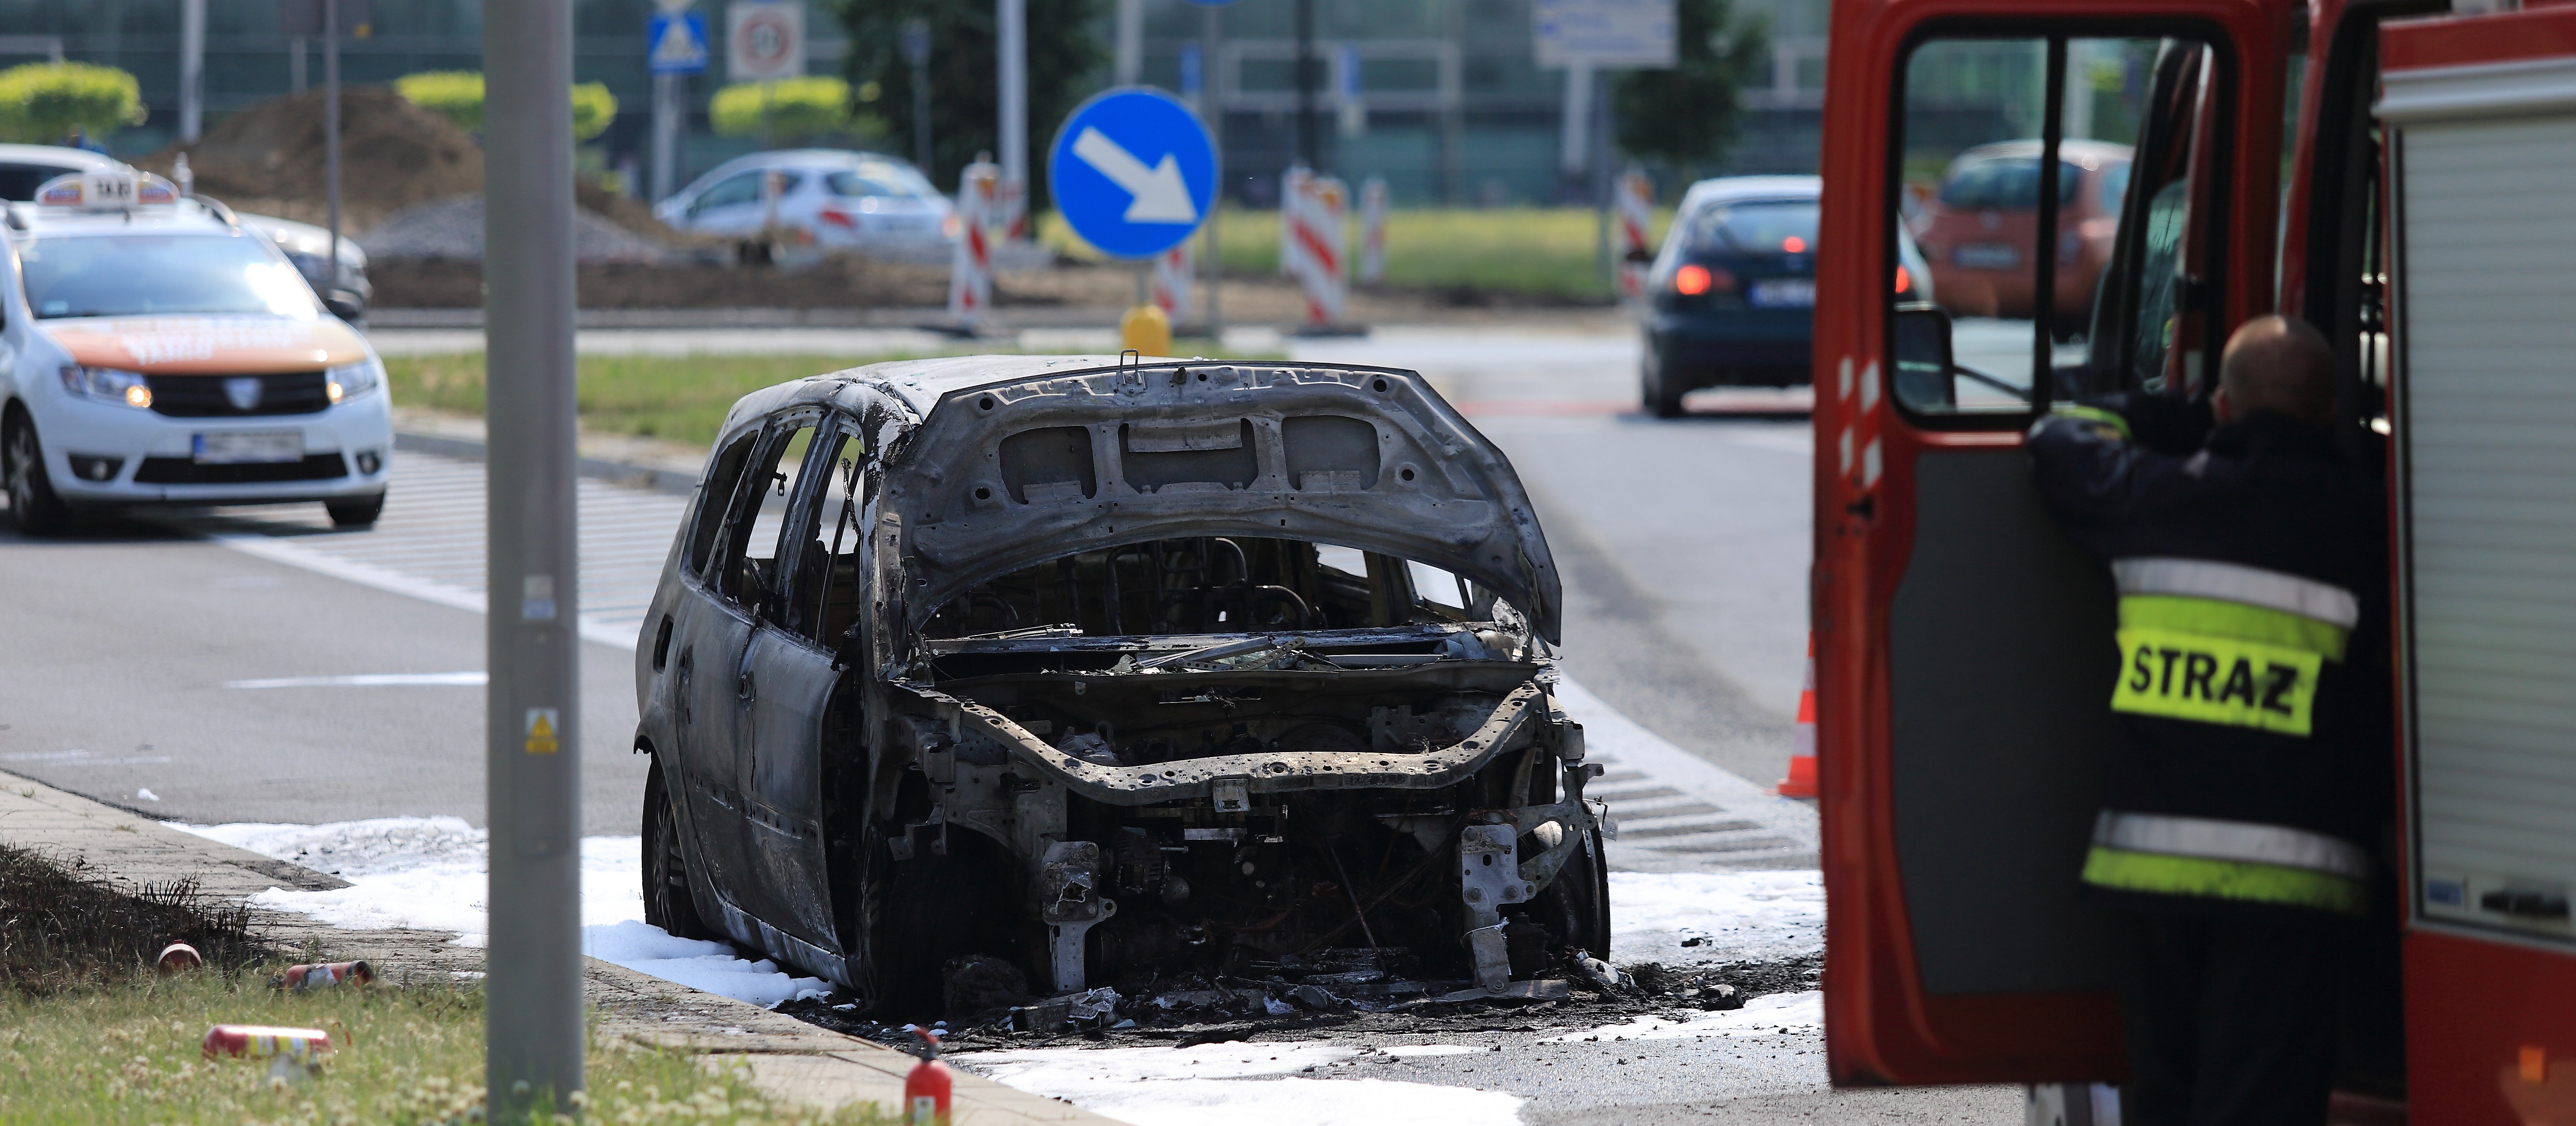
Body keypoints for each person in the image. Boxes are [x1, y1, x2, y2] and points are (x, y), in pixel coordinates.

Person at [2027, 315, 2390, 1126]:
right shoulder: (2369, 527)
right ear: (2330, 412)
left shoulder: (2155, 498)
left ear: (2226, 408)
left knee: (2164, 1101)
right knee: (2255, 1106)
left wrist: (2180, 413)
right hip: (2292, 885)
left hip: (2149, 882)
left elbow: (2060, 436)